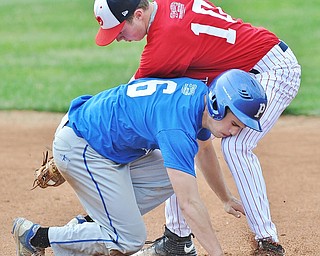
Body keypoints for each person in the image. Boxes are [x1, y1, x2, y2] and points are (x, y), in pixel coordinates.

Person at [92, 0, 301, 255]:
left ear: (138, 14)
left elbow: (126, 100)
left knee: (236, 144)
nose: (118, 39)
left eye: (120, 31)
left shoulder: (166, 42)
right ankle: (177, 239)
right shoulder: (166, 9)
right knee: (176, 136)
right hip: (237, 74)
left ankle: (268, 241)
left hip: (269, 71)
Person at [12, 69, 267, 256]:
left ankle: (87, 229)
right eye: (234, 124)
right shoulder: (176, 129)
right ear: (216, 106)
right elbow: (188, 204)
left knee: (175, 173)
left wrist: (225, 198)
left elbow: (204, 151)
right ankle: (35, 236)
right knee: (129, 239)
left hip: (102, 142)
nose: (235, 132)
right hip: (82, 146)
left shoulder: (197, 96)